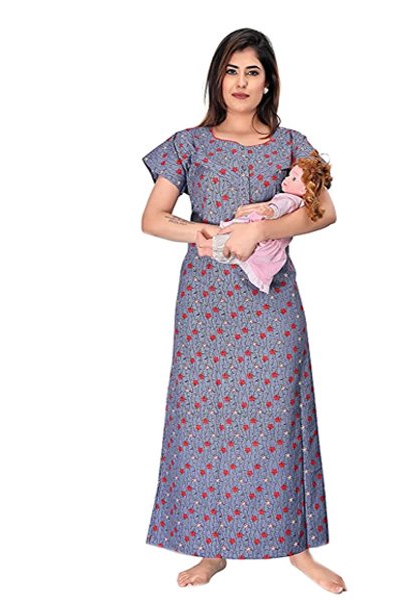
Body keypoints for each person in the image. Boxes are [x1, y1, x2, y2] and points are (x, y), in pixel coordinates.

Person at [141, 27, 347, 594]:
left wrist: (261, 230)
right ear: (217, 79)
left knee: (281, 418)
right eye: (231, 71)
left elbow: (324, 211)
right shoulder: (187, 144)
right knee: (203, 420)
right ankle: (210, 548)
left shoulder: (292, 144)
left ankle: (298, 548)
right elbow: (152, 218)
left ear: (268, 82)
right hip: (206, 305)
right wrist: (200, 231)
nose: (240, 82)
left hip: (271, 304)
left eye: (252, 72)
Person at [195, 153, 333, 294]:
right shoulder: (296, 202)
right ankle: (206, 250)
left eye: (293, 178)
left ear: (304, 189)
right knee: (236, 254)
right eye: (289, 175)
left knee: (229, 241)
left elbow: (279, 209)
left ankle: (207, 245)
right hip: (265, 239)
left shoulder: (289, 199)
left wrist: (269, 211)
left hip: (263, 236)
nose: (286, 179)